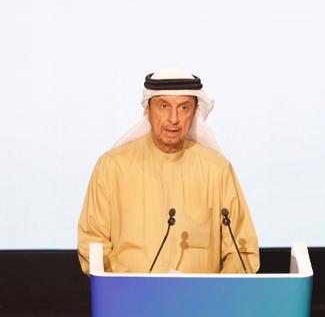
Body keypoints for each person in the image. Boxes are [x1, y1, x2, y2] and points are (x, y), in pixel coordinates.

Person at [77, 69, 259, 275]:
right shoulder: (112, 167)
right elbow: (92, 244)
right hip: (129, 294)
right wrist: (127, 286)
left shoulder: (217, 170)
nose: (174, 118)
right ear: (148, 110)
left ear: (195, 112)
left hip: (201, 296)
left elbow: (242, 251)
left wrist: (215, 291)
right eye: (164, 106)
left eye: (183, 108)